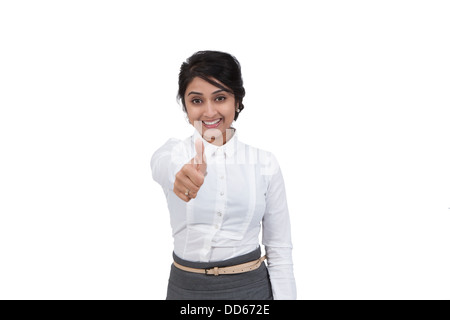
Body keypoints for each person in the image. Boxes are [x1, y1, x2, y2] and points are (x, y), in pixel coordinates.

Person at [151, 50, 296, 300]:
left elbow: (279, 249)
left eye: (220, 98)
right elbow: (161, 165)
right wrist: (179, 175)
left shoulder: (265, 163)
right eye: (197, 100)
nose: (209, 112)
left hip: (251, 292)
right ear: (185, 106)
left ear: (237, 101)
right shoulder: (175, 153)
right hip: (186, 293)